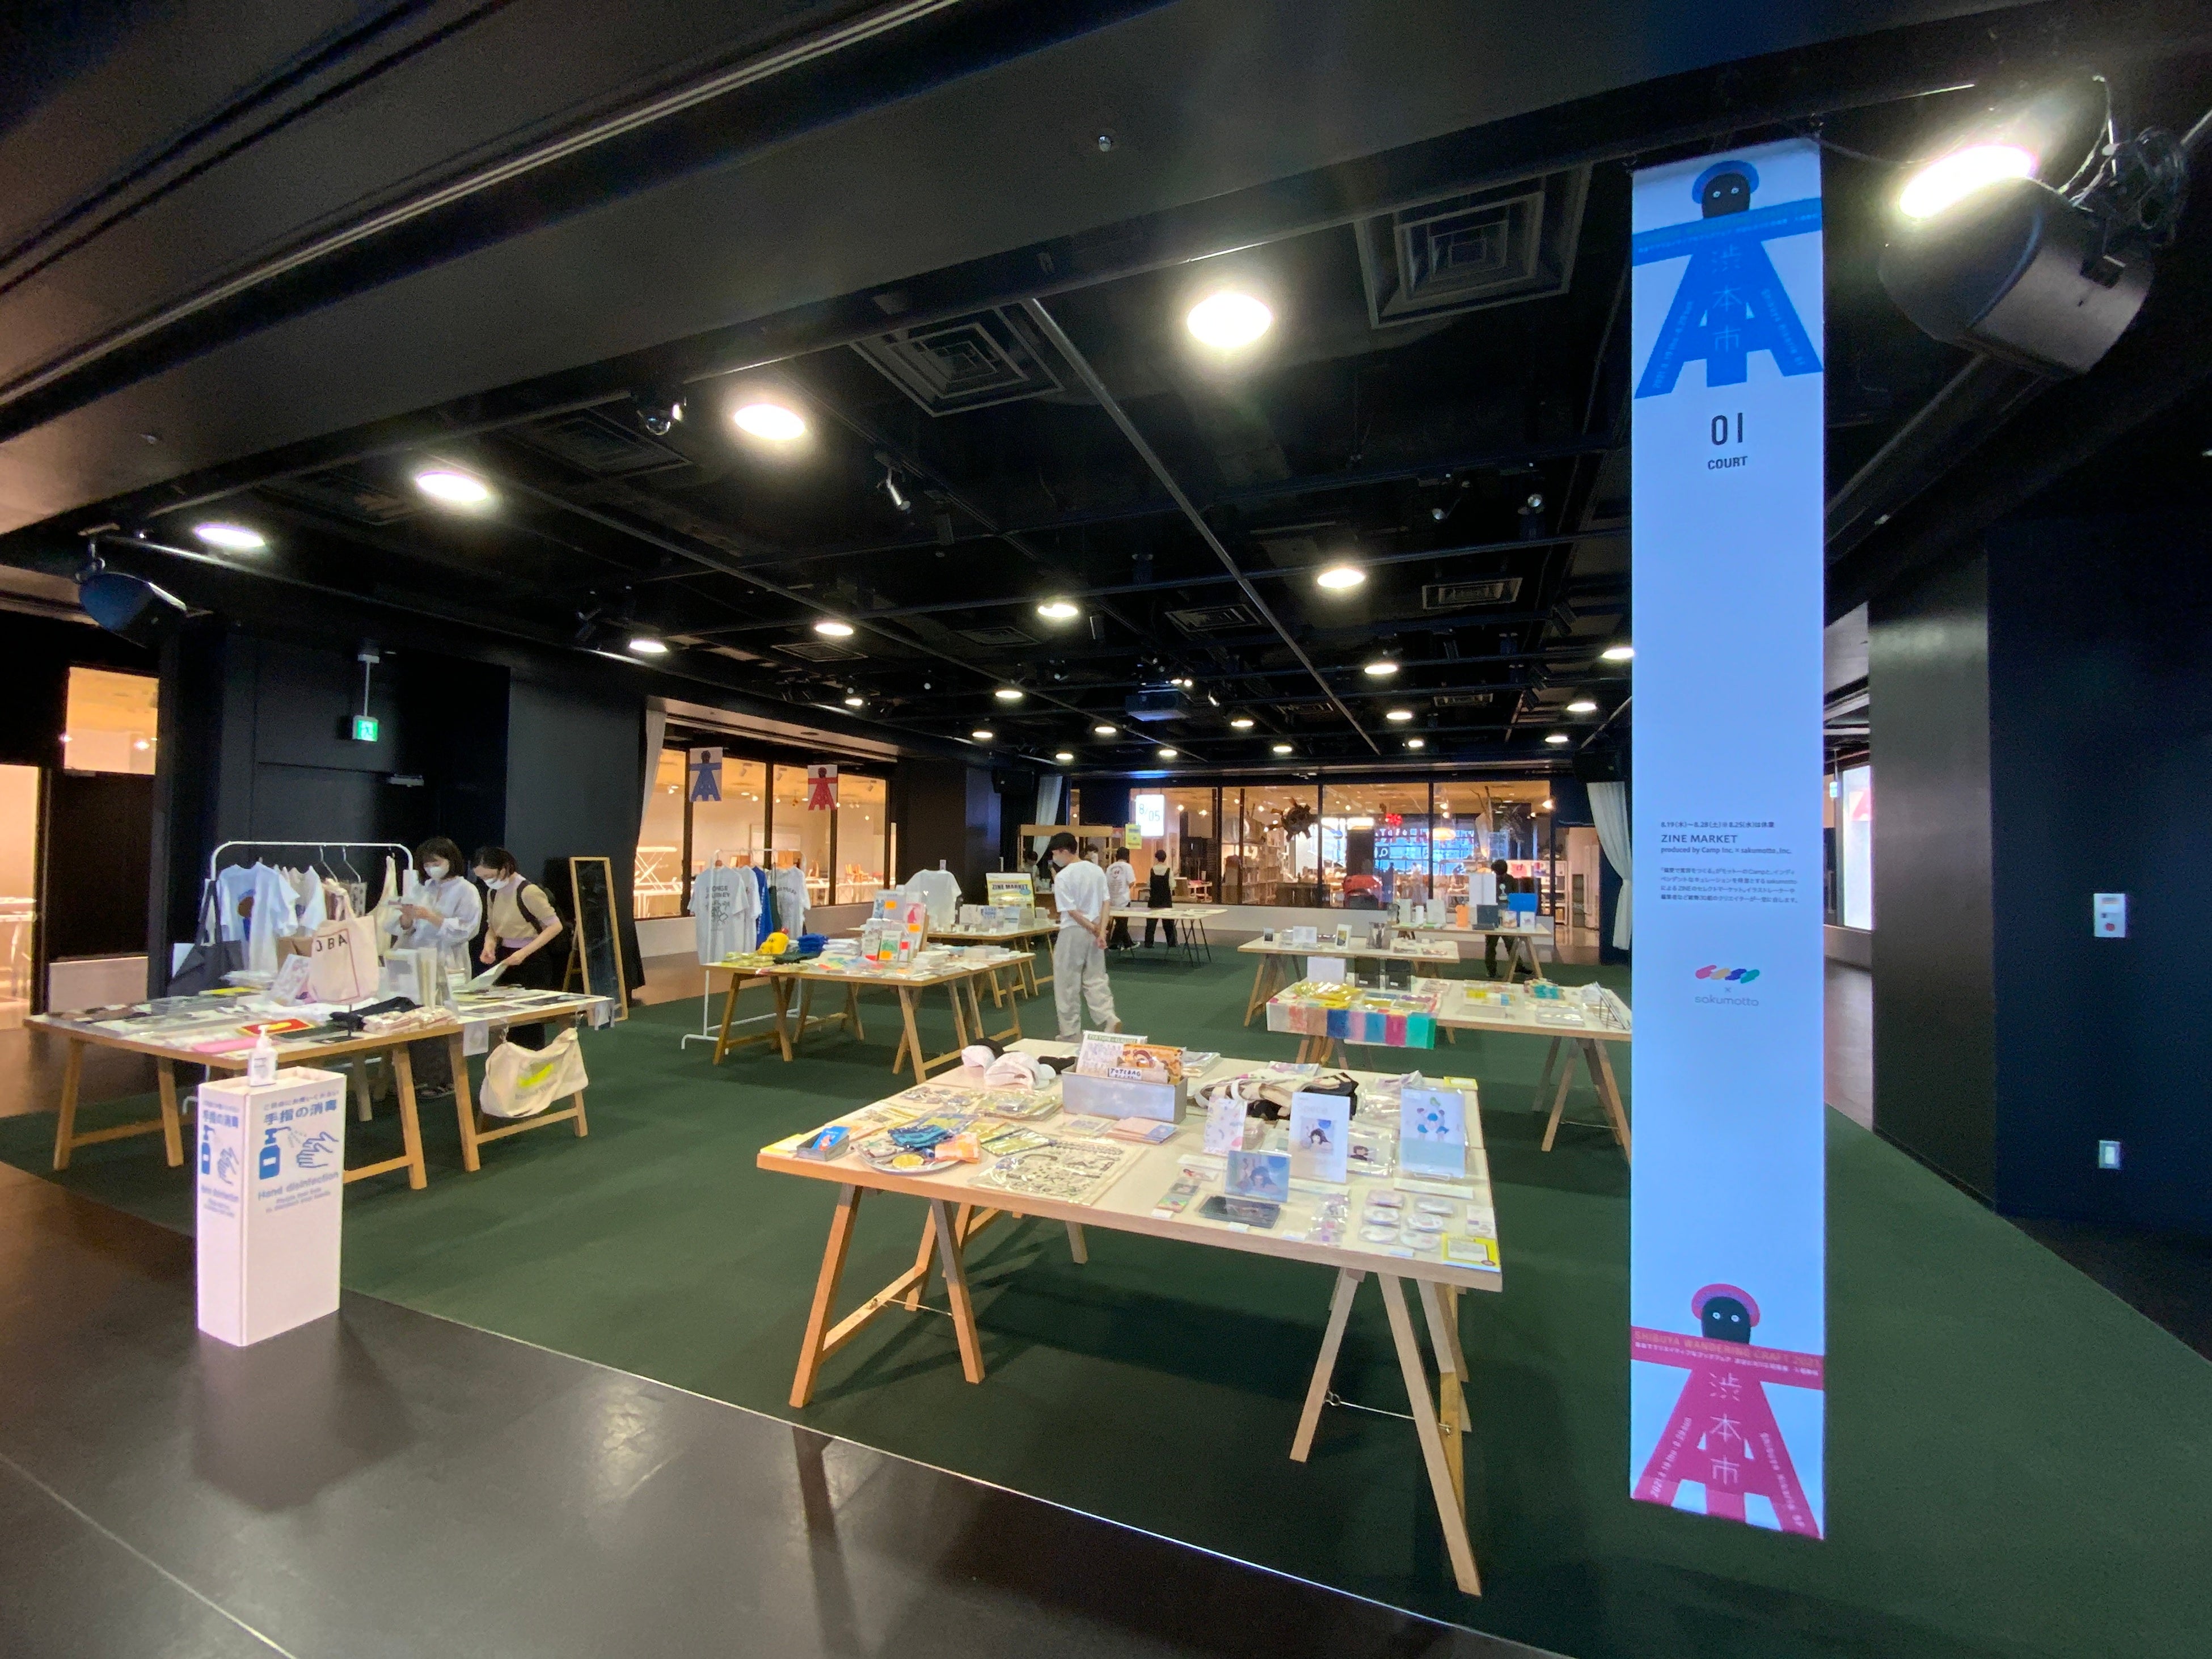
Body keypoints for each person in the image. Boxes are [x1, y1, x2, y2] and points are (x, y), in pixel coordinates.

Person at [392, 837, 482, 1097]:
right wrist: (406, 918)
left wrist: (432, 917)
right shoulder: (424, 888)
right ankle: (417, 1075)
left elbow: (468, 929)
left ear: (450, 861)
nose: (431, 868)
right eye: (427, 864)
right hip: (417, 959)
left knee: (443, 1019)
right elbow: (405, 927)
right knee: (416, 1017)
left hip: (447, 960)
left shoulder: (466, 890)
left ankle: (444, 1079)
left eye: (436, 863)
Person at [472, 847, 565, 1049]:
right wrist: (489, 945)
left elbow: (555, 926)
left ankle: (531, 1059)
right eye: (481, 878)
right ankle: (509, 1060)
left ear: (504, 868)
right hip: (506, 957)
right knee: (507, 1018)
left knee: (529, 1021)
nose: (486, 881)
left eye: (489, 876)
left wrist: (524, 953)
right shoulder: (493, 893)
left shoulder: (528, 891)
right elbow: (492, 927)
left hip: (532, 958)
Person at [1047, 831, 1117, 1039]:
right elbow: (1106, 902)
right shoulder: (1096, 871)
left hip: (1073, 931)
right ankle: (1108, 1017)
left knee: (1067, 982)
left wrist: (1093, 928)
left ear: (1064, 851)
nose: (1054, 858)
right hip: (1095, 931)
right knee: (1096, 977)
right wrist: (1101, 930)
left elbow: (1071, 911)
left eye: (1055, 853)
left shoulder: (1063, 876)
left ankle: (1070, 1032)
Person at [1142, 847, 1177, 949]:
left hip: (1154, 900)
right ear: (1165, 858)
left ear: (1156, 858)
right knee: (1169, 923)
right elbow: (1173, 885)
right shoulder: (1169, 871)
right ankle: (1172, 943)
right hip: (1166, 900)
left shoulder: (1152, 870)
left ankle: (1149, 943)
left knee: (1151, 923)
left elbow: (1148, 884)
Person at [1105, 847, 1135, 951]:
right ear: (1127, 856)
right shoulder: (1128, 867)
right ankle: (1114, 944)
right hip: (1124, 899)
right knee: (1122, 924)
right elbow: (1131, 882)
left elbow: (1107, 883)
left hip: (1112, 899)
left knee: (1121, 923)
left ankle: (1128, 944)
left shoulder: (1110, 868)